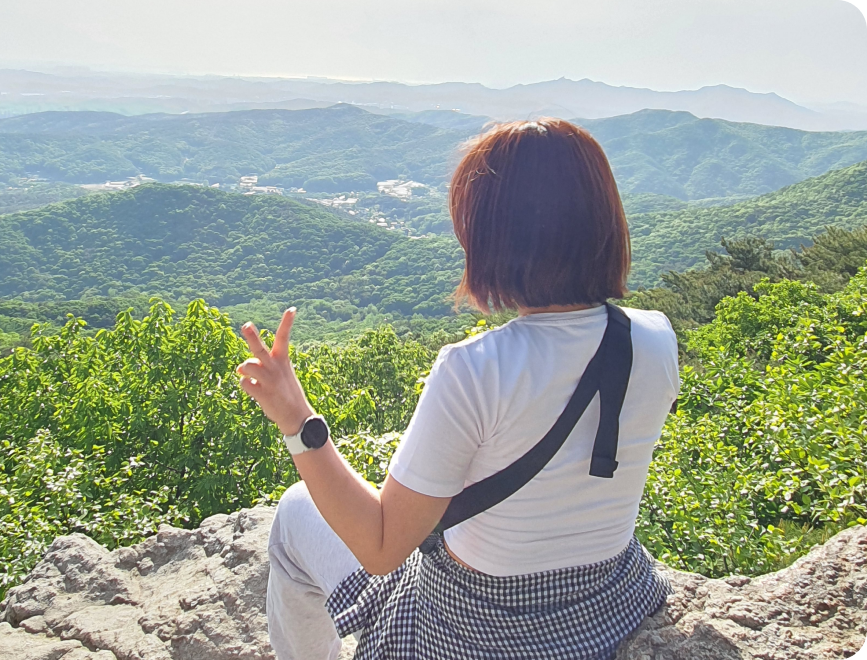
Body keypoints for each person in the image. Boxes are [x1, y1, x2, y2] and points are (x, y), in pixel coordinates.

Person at [236, 118, 680, 660]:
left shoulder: (474, 369)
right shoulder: (656, 338)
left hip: (475, 629)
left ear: (496, 236)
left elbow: (381, 549)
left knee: (294, 510)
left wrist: (296, 419)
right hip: (606, 605)